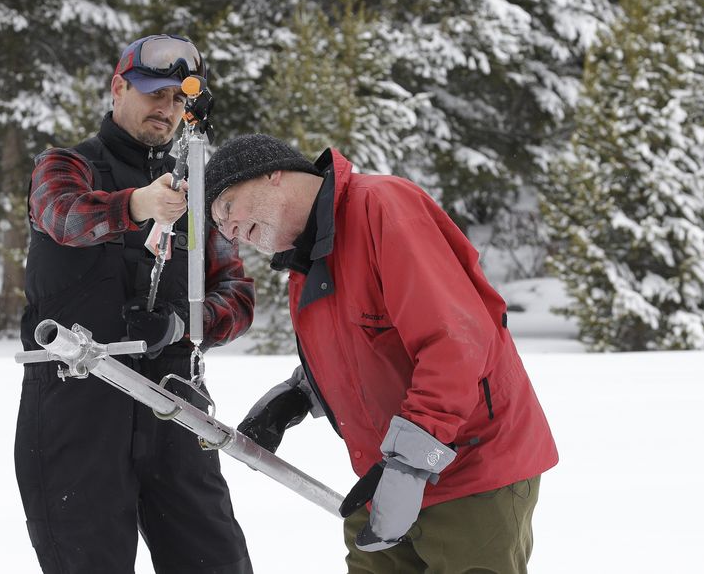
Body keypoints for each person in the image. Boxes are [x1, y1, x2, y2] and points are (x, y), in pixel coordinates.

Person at [204, 134, 559, 574]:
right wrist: (300, 394)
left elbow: (456, 343)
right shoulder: (306, 264)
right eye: (220, 228)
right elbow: (365, 347)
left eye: (228, 208)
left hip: (472, 471)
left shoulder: (382, 207)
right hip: (384, 482)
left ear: (272, 174)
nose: (230, 232)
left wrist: (410, 468)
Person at [15, 34, 255, 574]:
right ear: (118, 87)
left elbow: (236, 296)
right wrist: (138, 204)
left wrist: (177, 327)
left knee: (215, 560)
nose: (166, 109)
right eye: (153, 93)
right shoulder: (65, 167)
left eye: (177, 99)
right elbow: (65, 217)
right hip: (77, 406)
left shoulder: (201, 190)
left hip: (175, 403)